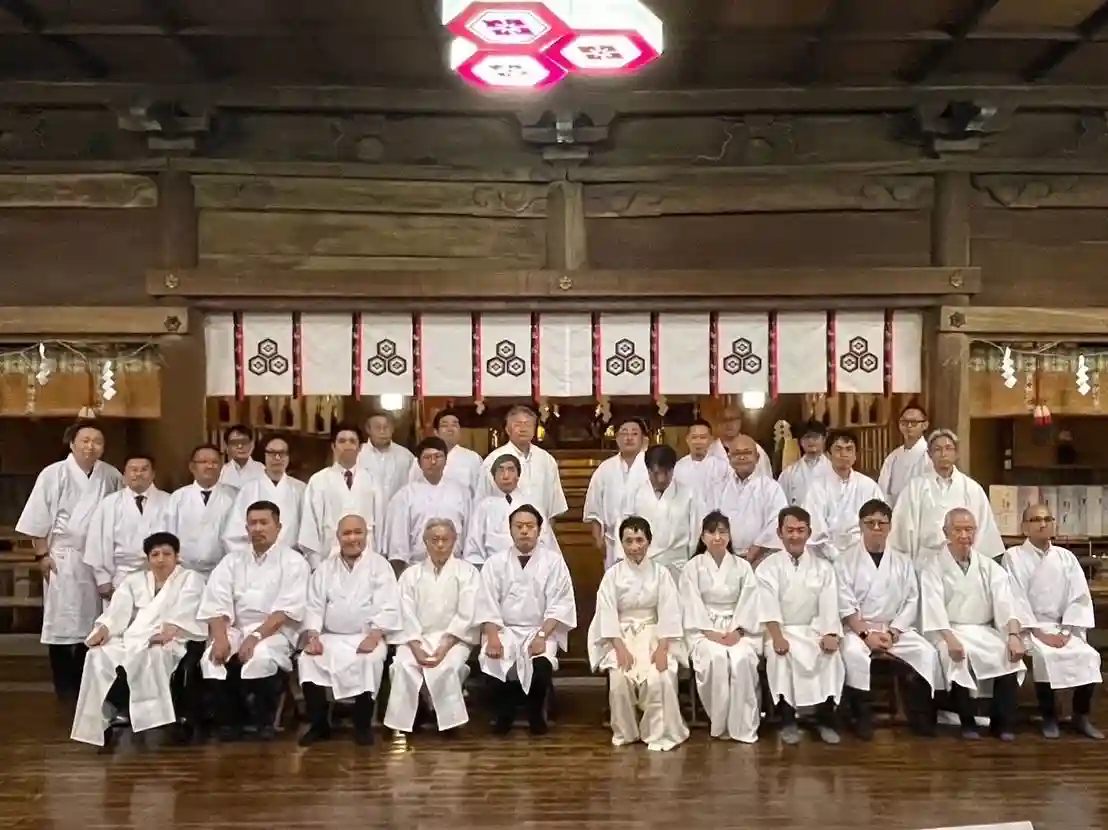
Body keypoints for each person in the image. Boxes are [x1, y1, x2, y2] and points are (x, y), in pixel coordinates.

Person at [16, 420, 123, 703]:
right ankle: (65, 686)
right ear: (72, 443)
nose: (91, 446)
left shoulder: (110, 474)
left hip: (100, 558)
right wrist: (42, 554)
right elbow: (38, 517)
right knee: (63, 621)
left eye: (97, 441)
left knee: (99, 619)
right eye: (85, 440)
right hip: (64, 556)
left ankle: (92, 684)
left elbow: (120, 512)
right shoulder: (53, 474)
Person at [70, 532, 207, 747]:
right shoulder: (134, 581)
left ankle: (152, 718)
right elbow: (117, 611)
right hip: (132, 636)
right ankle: (102, 716)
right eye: (155, 554)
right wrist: (105, 628)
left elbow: (189, 609)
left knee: (153, 655)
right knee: (97, 655)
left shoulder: (191, 579)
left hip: (172, 637)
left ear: (177, 556)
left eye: (167, 554)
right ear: (147, 559)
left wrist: (172, 629)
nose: (161, 559)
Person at [198, 500, 310, 742]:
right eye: (252, 523)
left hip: (274, 631)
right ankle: (230, 723)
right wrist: (220, 639)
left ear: (278, 527)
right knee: (212, 659)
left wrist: (255, 636)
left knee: (260, 658)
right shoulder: (231, 561)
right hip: (235, 627)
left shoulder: (293, 562)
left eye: (264, 522)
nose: (258, 528)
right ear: (246, 528)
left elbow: (286, 611)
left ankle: (263, 722)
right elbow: (215, 604)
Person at [920, 508, 1027, 741]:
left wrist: (1013, 636)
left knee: (1009, 655)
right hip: (948, 629)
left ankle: (1002, 723)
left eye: (969, 529)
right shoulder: (933, 567)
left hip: (982, 629)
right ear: (946, 532)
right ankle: (967, 722)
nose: (964, 535)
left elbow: (1005, 602)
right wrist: (950, 639)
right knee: (957, 656)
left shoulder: (988, 566)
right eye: (958, 530)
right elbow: (932, 606)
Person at [836, 499, 940, 739]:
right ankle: (861, 716)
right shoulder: (844, 561)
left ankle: (921, 716)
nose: (876, 528)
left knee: (926, 652)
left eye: (881, 523)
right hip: (858, 630)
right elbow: (844, 603)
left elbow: (912, 600)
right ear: (860, 525)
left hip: (893, 629)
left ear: (890, 526)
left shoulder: (903, 561)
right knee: (852, 653)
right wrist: (865, 635)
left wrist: (893, 632)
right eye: (870, 522)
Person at [297, 514, 401, 747]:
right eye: (347, 533)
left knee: (369, 660)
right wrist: (313, 637)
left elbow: (389, 605)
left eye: (358, 532)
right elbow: (314, 605)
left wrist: (374, 636)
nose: (352, 538)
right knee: (308, 660)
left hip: (367, 635)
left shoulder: (380, 566)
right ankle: (319, 725)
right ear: (337, 537)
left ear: (366, 534)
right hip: (331, 637)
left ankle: (362, 726)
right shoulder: (325, 568)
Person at [587, 516, 689, 752]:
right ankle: (626, 731)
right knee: (619, 677)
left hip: (654, 633)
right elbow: (606, 612)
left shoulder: (661, 574)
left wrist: (662, 647)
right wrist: (619, 647)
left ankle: (659, 732)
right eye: (629, 541)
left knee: (660, 675)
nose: (634, 546)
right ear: (621, 543)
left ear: (649, 541)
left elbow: (670, 611)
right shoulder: (612, 576)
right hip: (621, 635)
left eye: (639, 540)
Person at [1002, 504, 1103, 740]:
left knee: (1089, 656)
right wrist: (1040, 633)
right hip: (1029, 627)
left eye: (1047, 519)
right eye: (1036, 520)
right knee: (1044, 656)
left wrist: (1067, 631)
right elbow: (1014, 597)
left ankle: (1080, 715)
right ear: (1025, 527)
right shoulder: (1013, 557)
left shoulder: (1066, 557)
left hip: (1061, 626)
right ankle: (1049, 716)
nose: (1043, 524)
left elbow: (1078, 597)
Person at [479, 504, 577, 735]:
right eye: (519, 526)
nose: (524, 531)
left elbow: (560, 604)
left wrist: (542, 635)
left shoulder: (554, 562)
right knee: (494, 658)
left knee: (541, 662)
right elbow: (486, 603)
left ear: (539, 530)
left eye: (530, 526)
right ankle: (505, 712)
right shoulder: (495, 563)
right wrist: (492, 636)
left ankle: (536, 713)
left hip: (540, 629)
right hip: (504, 629)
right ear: (510, 530)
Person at [383, 518, 483, 735]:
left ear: (454, 541)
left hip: (454, 639)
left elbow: (467, 614)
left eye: (445, 539)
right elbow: (404, 613)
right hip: (416, 638)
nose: (440, 545)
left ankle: (447, 721)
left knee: (447, 666)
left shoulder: (468, 573)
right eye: (434, 539)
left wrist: (444, 647)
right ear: (425, 542)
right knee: (403, 665)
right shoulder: (410, 575)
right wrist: (416, 646)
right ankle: (410, 718)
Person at [757, 506, 845, 745]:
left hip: (813, 631)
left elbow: (829, 604)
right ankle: (788, 721)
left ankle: (825, 720)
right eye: (790, 530)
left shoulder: (823, 567)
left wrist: (830, 634)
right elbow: (767, 605)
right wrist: (777, 637)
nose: (795, 535)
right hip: (781, 630)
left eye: (800, 530)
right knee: (780, 657)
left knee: (831, 656)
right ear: (779, 533)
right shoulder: (767, 567)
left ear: (809, 533)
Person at [678, 512, 762, 743]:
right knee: (716, 659)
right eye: (712, 532)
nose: (717, 537)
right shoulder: (692, 567)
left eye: (723, 532)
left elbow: (750, 601)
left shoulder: (743, 567)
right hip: (703, 630)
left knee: (741, 659)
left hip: (737, 627)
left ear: (730, 536)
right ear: (702, 537)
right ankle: (719, 722)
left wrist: (738, 630)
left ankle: (742, 725)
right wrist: (709, 632)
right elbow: (690, 603)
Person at [890, 429, 1004, 566]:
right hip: (925, 562)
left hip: (962, 561)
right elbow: (902, 531)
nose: (943, 454)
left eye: (948, 448)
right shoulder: (914, 488)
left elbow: (984, 532)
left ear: (956, 454)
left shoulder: (972, 489)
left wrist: (972, 564)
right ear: (929, 454)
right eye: (937, 449)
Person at [84, 454, 170, 597]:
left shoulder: (169, 501)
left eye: (144, 469)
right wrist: (103, 580)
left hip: (160, 576)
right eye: (133, 470)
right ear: (124, 474)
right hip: (121, 577)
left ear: (153, 474)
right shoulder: (109, 504)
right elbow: (96, 543)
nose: (139, 474)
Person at [301, 423, 384, 570]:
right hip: (330, 555)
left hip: (367, 555)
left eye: (352, 441)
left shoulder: (372, 480)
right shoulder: (319, 480)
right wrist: (316, 564)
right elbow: (310, 523)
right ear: (333, 447)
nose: (347, 445)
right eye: (342, 441)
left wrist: (378, 557)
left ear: (360, 448)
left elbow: (381, 522)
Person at [620, 443, 703, 581]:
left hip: (678, 566)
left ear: (673, 469)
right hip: (642, 564)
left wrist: (692, 565)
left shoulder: (689, 494)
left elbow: (696, 533)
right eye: (656, 473)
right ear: (648, 470)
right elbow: (623, 530)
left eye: (666, 473)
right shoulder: (634, 494)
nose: (661, 479)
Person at [385, 437, 470, 570]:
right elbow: (398, 541)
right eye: (427, 457)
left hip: (455, 566)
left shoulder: (461, 492)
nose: (433, 462)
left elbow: (469, 533)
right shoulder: (405, 495)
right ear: (419, 463)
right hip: (416, 567)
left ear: (446, 460)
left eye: (438, 456)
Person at [462, 453, 560, 568]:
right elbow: (473, 550)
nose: (506, 475)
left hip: (531, 568)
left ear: (518, 475)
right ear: (494, 477)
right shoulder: (483, 508)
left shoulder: (533, 505)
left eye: (511, 470)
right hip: (494, 571)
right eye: (501, 470)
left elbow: (547, 545)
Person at [802, 430, 884, 563]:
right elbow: (815, 529)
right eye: (838, 449)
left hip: (862, 556)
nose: (844, 454)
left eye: (849, 449)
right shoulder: (817, 488)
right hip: (825, 558)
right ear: (828, 454)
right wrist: (836, 556)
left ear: (856, 455)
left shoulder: (869, 486)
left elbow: (878, 522)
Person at [476, 405, 567, 522]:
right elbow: (481, 502)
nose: (523, 429)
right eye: (517, 424)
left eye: (528, 424)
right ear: (508, 430)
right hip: (503, 527)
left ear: (534, 429)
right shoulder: (493, 459)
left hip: (540, 528)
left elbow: (554, 506)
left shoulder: (546, 459)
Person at [222, 435, 305, 556]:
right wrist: (253, 556)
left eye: (282, 453)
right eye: (272, 453)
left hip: (290, 559)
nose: (277, 458)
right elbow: (233, 535)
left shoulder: (300, 489)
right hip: (255, 557)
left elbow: (308, 532)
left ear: (288, 457)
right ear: (264, 455)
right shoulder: (249, 489)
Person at [583, 416, 648, 568]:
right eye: (624, 433)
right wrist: (598, 540)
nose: (629, 438)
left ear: (644, 440)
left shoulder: (650, 466)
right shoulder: (605, 468)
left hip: (645, 539)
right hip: (613, 541)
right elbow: (594, 507)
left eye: (634, 433)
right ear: (617, 438)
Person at [164, 443, 237, 576]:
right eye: (203, 462)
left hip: (223, 570)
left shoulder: (234, 496)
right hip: (184, 570)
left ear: (221, 466)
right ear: (192, 467)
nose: (210, 466)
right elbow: (168, 534)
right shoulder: (178, 497)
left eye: (214, 462)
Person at [717, 434, 788, 567]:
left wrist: (757, 548)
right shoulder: (721, 487)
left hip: (762, 558)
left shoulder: (771, 488)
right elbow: (713, 520)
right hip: (726, 557)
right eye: (737, 454)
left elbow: (777, 520)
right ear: (729, 458)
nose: (742, 457)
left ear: (757, 457)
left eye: (747, 453)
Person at [409, 408, 483, 495]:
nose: (450, 429)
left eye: (454, 425)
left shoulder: (473, 459)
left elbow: (481, 492)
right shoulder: (421, 459)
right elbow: (412, 490)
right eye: (444, 425)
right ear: (436, 432)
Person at [877, 403, 932, 508]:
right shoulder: (893, 457)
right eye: (904, 422)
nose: (909, 426)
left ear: (925, 425)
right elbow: (882, 489)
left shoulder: (930, 456)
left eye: (914, 422)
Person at [357, 411, 417, 506]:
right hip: (366, 510)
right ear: (368, 429)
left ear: (393, 429)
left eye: (386, 427)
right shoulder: (358, 454)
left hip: (399, 510)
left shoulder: (406, 456)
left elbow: (415, 485)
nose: (382, 431)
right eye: (377, 427)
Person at [673, 419, 730, 505]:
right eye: (694, 437)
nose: (698, 442)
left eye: (703, 437)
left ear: (711, 440)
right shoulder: (678, 468)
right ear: (687, 439)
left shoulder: (722, 467)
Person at [706, 405, 772, 477]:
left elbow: (766, 477)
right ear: (718, 423)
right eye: (724, 420)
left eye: (733, 419)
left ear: (740, 421)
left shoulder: (756, 449)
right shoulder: (709, 451)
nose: (729, 424)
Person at [777, 420, 833, 507]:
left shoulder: (834, 470)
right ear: (800, 441)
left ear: (823, 439)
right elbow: (780, 502)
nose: (810, 441)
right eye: (806, 437)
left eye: (815, 437)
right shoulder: (789, 473)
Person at [218, 424, 265, 491]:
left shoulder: (263, 470)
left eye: (244, 442)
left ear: (252, 444)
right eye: (235, 443)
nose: (240, 446)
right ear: (227, 447)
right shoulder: (221, 471)